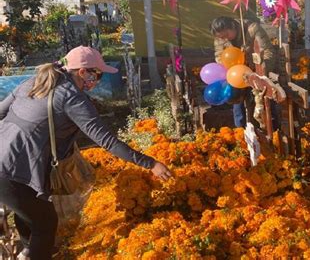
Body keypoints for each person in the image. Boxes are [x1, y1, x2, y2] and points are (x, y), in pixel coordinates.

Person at [0, 46, 172, 260]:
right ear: (83, 72)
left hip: (9, 164)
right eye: (97, 74)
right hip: (10, 172)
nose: (97, 80)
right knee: (45, 222)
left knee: (32, 209)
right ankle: (35, 253)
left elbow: (1, 111)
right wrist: (150, 163)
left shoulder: (34, 82)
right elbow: (107, 141)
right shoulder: (72, 99)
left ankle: (30, 251)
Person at [210, 16, 278, 128]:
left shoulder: (252, 29)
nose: (225, 39)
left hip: (257, 71)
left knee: (265, 105)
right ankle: (241, 134)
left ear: (232, 26)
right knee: (238, 106)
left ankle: (273, 132)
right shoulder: (220, 38)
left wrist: (261, 70)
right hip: (236, 75)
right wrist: (227, 68)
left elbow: (268, 51)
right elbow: (219, 56)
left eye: (226, 35)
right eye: (222, 38)